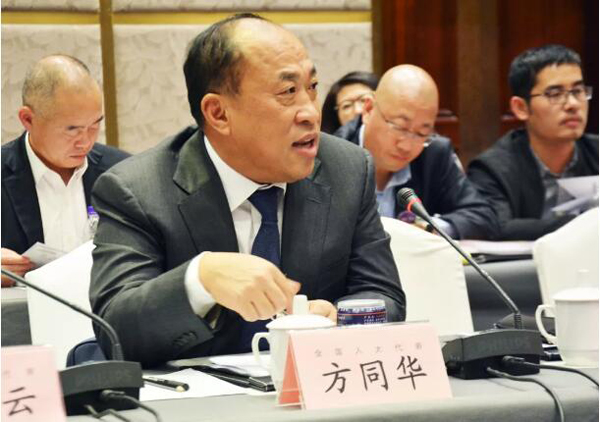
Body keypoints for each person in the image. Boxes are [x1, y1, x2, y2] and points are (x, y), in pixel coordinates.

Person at [89, 13, 406, 367]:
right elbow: (116, 332)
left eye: (312, 87)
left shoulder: (346, 169)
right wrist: (200, 279)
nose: (310, 113)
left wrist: (340, 319)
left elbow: (384, 296)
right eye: (288, 92)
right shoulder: (138, 190)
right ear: (218, 113)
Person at [1, 55, 129, 287]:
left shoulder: (122, 172)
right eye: (72, 130)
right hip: (20, 309)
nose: (86, 142)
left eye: (94, 125)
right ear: (28, 119)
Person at [335, 65, 499, 240]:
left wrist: (430, 229)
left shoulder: (434, 154)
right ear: (369, 109)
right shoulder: (332, 155)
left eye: (422, 133)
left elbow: (483, 216)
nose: (407, 146)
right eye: (399, 126)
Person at [468, 44, 598, 240]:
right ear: (521, 108)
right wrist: (586, 223)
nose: (572, 104)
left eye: (578, 91)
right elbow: (495, 226)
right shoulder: (492, 169)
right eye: (555, 94)